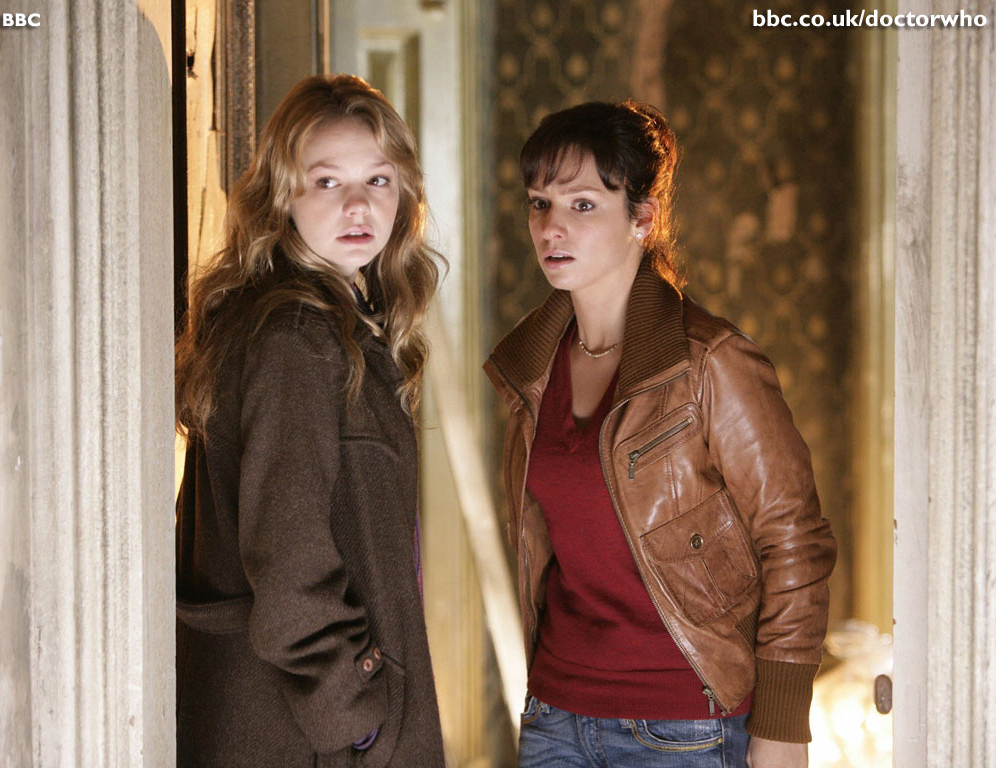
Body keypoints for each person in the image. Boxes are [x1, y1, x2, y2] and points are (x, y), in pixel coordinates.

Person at [484, 100, 837, 768]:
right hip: (555, 717)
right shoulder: (531, 371)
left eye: (583, 205)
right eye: (539, 204)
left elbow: (795, 538)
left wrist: (784, 722)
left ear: (641, 218)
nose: (552, 227)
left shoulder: (710, 363)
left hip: (686, 727)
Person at [174, 74, 445, 768]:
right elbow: (288, 554)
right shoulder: (294, 336)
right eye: (327, 182)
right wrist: (353, 718)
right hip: (305, 734)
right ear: (282, 195)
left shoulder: (337, 325)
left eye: (378, 180)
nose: (358, 205)